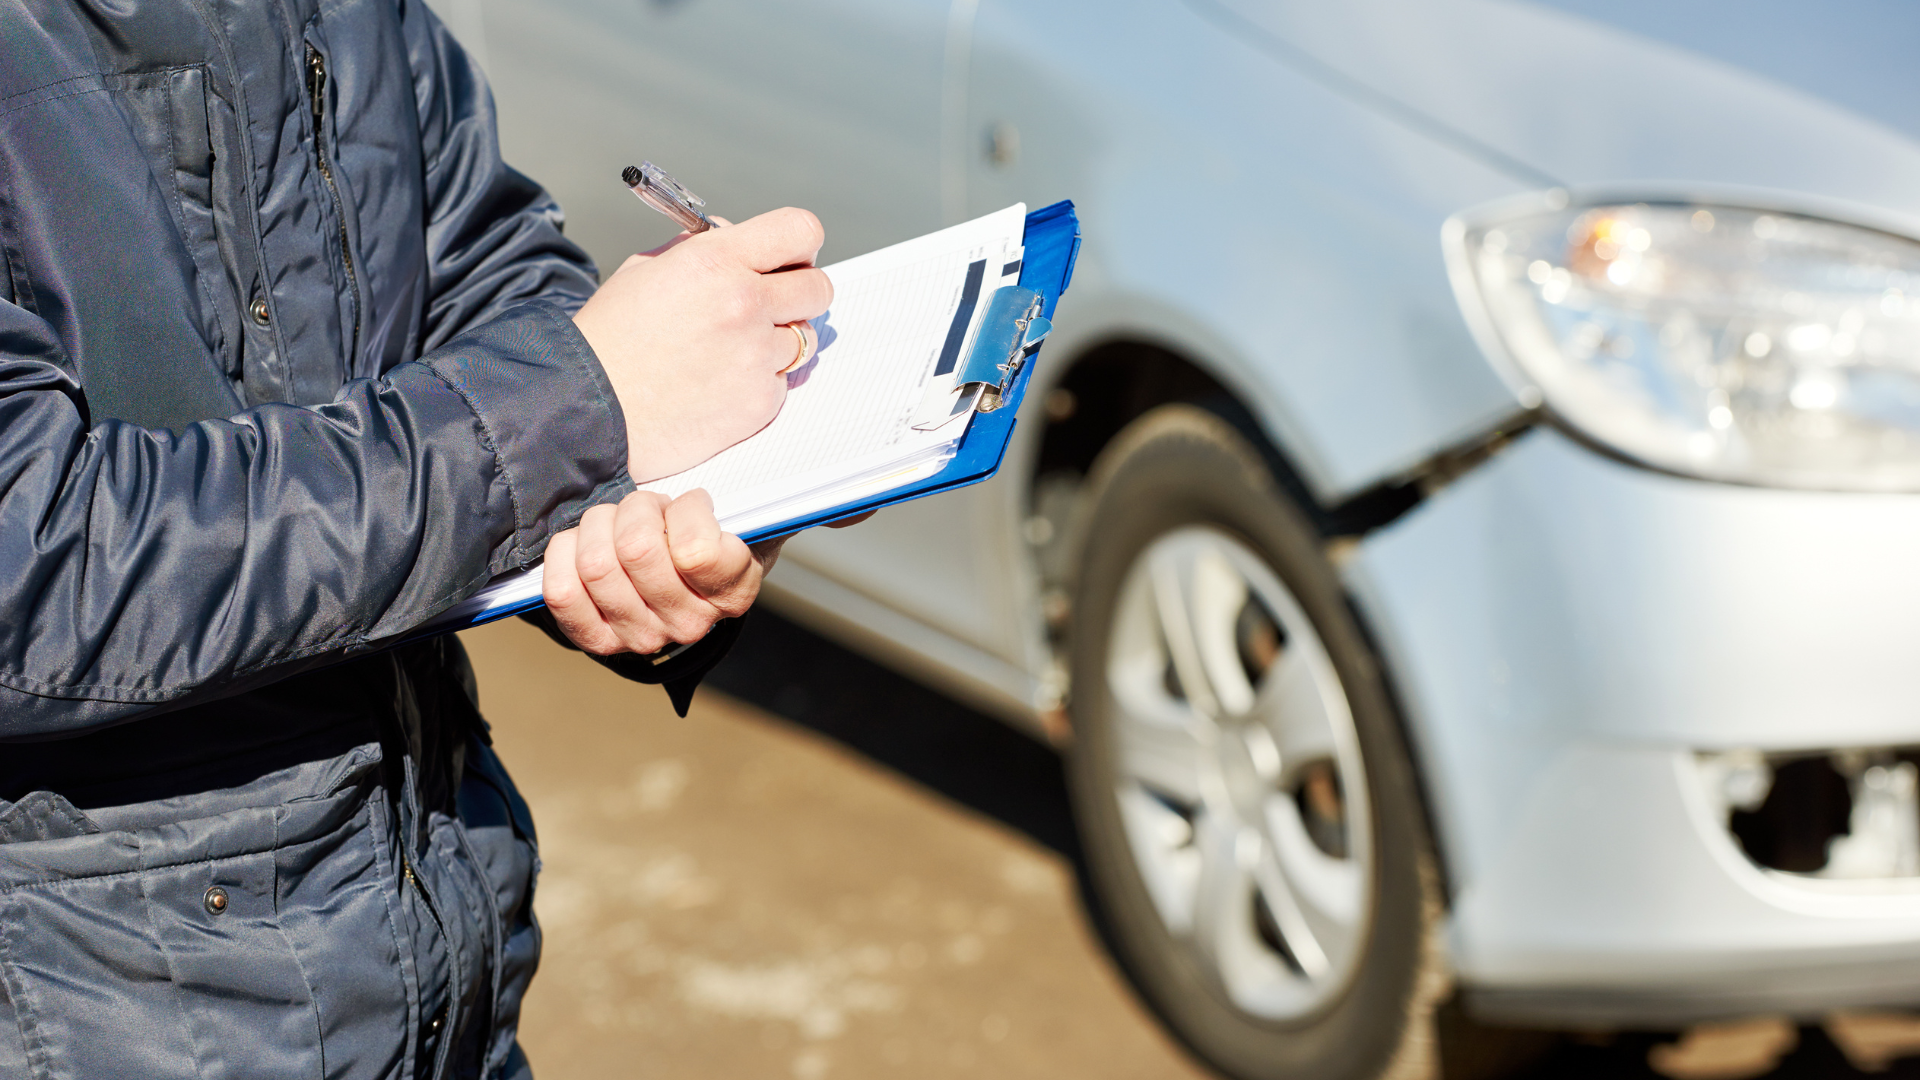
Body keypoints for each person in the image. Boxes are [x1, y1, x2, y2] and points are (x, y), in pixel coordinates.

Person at [0, 1, 840, 1077]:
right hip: (110, 1020)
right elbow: (37, 560)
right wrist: (579, 405)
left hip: (445, 954)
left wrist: (637, 518)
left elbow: (476, 268)